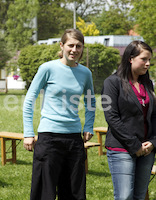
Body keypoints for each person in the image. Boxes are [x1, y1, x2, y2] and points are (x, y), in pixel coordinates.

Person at [23, 29, 96, 200]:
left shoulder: (86, 73)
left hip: (74, 140)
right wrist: (28, 133)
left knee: (74, 192)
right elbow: (29, 100)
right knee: (44, 192)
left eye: (79, 46)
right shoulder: (47, 68)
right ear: (62, 46)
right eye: (70, 45)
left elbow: (91, 102)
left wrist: (89, 126)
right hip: (49, 139)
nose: (74, 50)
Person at [101, 40, 156, 200]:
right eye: (144, 59)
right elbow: (111, 117)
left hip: (147, 150)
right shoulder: (111, 83)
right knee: (125, 196)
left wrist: (153, 142)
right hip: (121, 149)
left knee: (139, 196)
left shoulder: (148, 84)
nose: (148, 64)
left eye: (150, 60)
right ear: (130, 58)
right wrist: (134, 145)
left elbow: (154, 116)